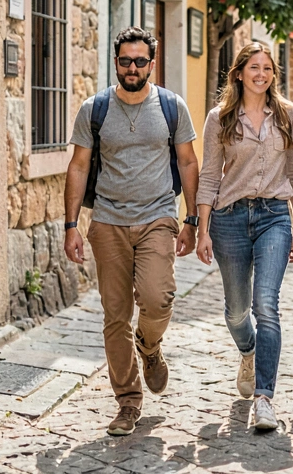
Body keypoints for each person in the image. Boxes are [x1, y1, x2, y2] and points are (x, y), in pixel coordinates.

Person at [64, 27, 199, 437]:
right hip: (107, 221)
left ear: (152, 64)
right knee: (115, 315)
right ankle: (127, 401)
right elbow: (79, 166)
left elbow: (189, 163)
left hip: (158, 215)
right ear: (116, 62)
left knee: (158, 299)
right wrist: (72, 225)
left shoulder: (172, 107)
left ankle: (150, 345)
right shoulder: (95, 108)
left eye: (141, 61)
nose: (133, 68)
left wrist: (193, 219)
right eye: (126, 61)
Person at [195, 43, 293, 431]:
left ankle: (264, 398)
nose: (261, 74)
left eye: (267, 68)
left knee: (266, 304)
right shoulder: (220, 117)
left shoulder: (287, 115)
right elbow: (210, 175)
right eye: (253, 67)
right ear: (239, 73)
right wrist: (203, 229)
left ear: (273, 75)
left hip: (273, 216)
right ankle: (248, 349)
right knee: (236, 310)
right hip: (229, 219)